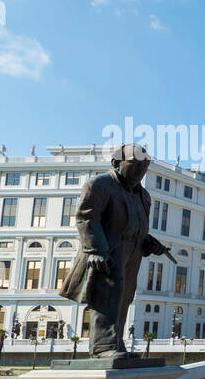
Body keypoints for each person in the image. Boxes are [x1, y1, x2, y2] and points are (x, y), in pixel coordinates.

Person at [58, 144, 169, 357]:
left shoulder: (143, 196)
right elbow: (87, 217)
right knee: (109, 292)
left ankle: (116, 342)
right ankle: (103, 346)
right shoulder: (99, 185)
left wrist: (148, 242)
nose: (140, 171)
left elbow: (137, 226)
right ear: (116, 163)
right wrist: (96, 250)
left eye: (145, 166)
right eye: (134, 164)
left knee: (125, 295)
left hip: (132, 252)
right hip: (108, 249)